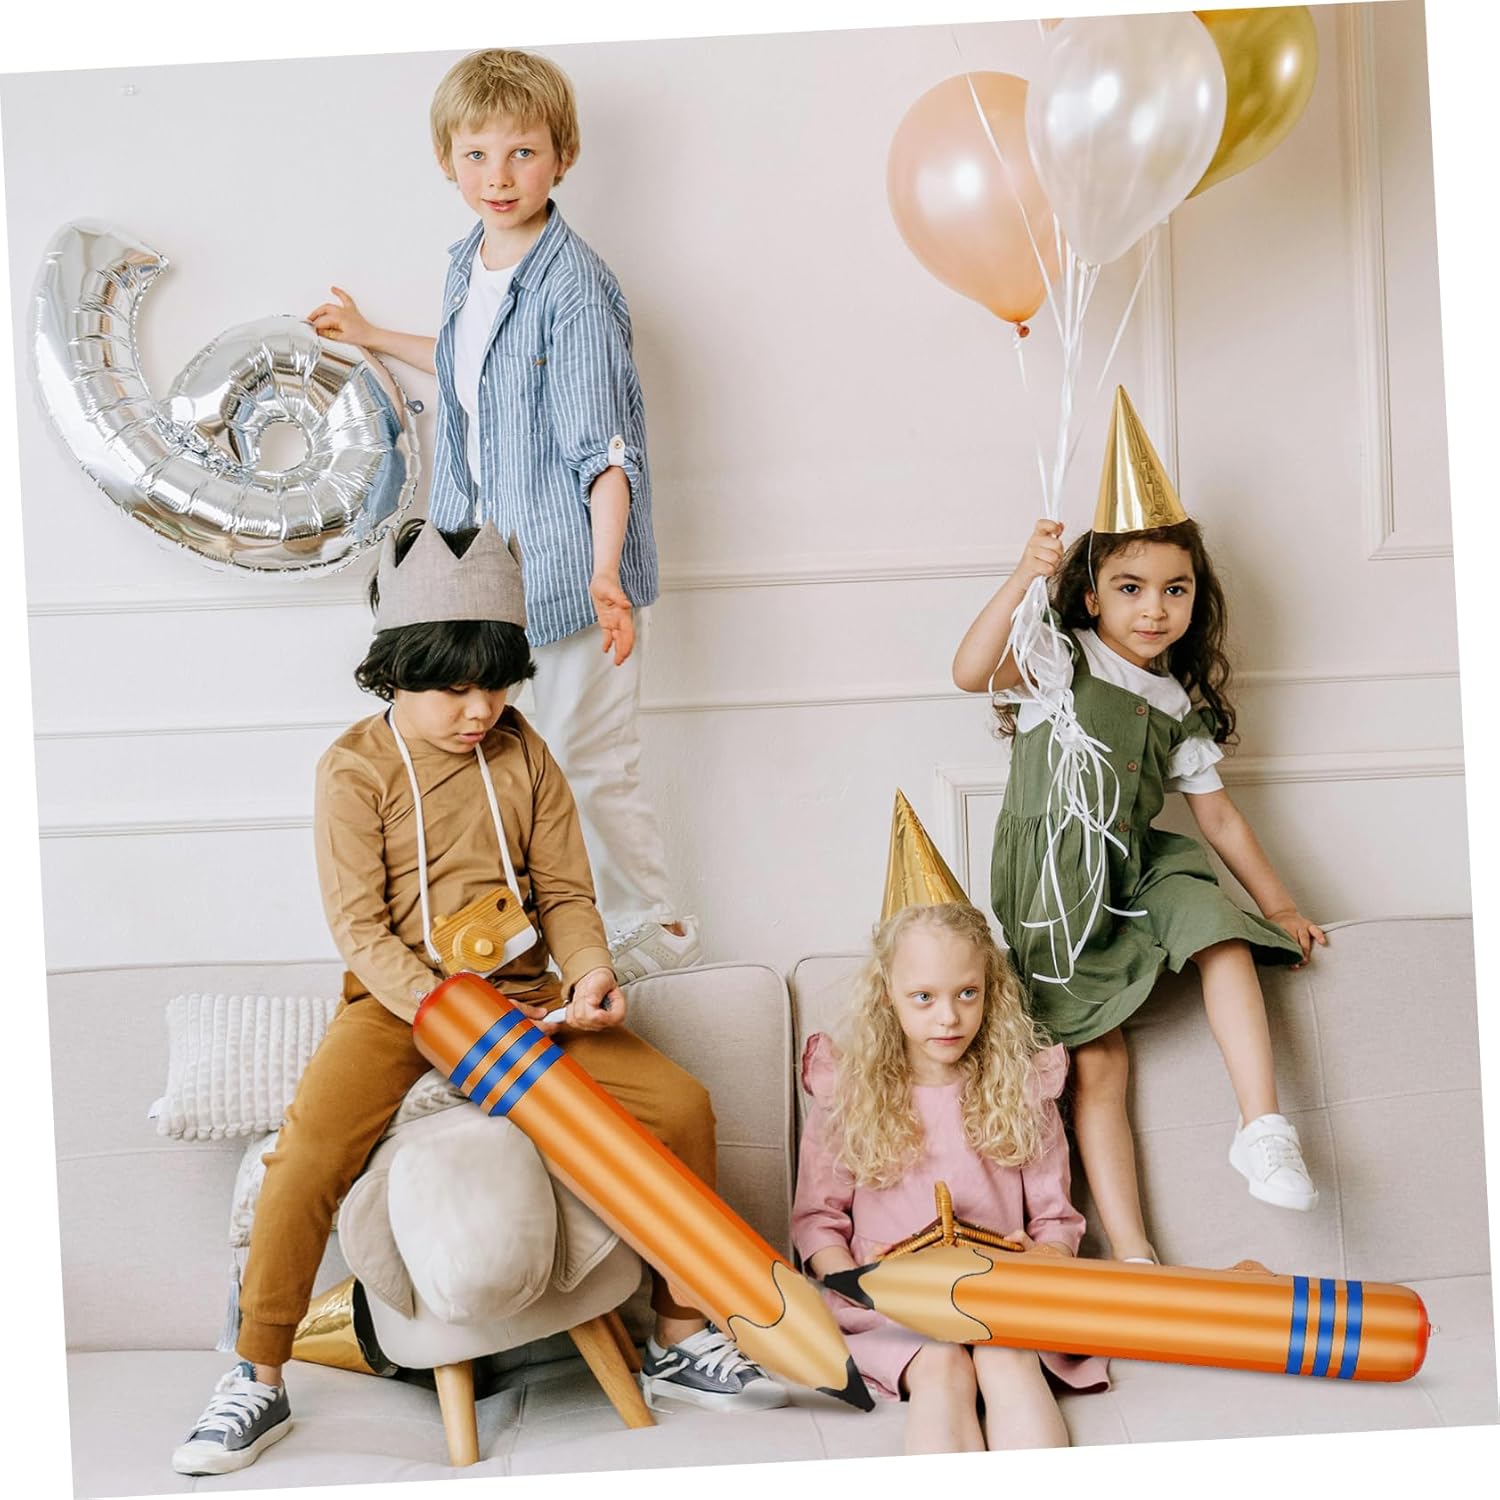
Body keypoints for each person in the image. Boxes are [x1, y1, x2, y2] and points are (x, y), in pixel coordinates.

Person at [171, 520, 783, 1478]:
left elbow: (568, 893)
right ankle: (257, 1373)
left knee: (683, 1108)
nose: (480, 709)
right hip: (400, 1007)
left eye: (496, 685)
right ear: (397, 672)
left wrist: (590, 974)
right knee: (308, 1156)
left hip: (528, 995)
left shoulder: (524, 753)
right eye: (455, 688)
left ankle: (678, 1330)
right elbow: (361, 931)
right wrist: (447, 1014)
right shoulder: (353, 769)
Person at [307, 47, 696, 981]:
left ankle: (651, 951)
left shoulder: (577, 289)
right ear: (447, 160)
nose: (498, 176)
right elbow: (466, 360)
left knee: (587, 769)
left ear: (562, 156)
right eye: (476, 155)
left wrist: (605, 571)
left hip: (568, 578)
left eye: (521, 153)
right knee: (500, 772)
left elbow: (606, 452)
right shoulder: (468, 263)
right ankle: (535, 956)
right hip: (480, 577)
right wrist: (372, 336)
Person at [953, 508, 1327, 1265]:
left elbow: (1218, 820)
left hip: (1142, 864)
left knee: (1220, 932)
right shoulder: (1060, 661)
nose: (1155, 609)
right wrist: (1026, 574)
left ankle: (1262, 1129)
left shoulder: (1176, 704)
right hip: (1058, 889)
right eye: (1131, 588)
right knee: (1101, 1063)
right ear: (1092, 597)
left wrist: (1279, 905)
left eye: (1175, 590)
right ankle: (1134, 1252)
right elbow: (969, 672)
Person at [792, 899, 1107, 1453]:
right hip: (887, 1301)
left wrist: (1045, 1257)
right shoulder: (851, 1092)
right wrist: (858, 1285)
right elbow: (817, 1219)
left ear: (990, 990)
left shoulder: (1020, 1088)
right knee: (941, 1366)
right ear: (887, 993)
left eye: (967, 993)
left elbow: (1056, 1218)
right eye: (924, 997)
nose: (948, 1018)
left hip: (1000, 1292)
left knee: (1008, 1359)